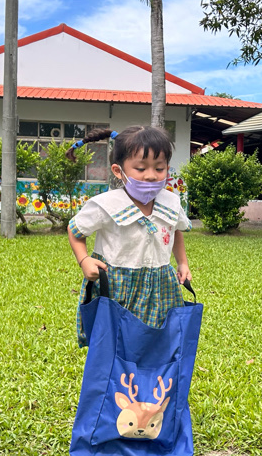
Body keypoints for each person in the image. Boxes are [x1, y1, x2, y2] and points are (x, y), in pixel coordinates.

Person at [66, 126, 191, 345]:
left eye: (159, 168)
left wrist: (182, 262)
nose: (151, 176)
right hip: (118, 288)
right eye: (140, 168)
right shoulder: (105, 205)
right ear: (118, 170)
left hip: (161, 286)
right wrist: (84, 260)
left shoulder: (171, 202)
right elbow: (75, 230)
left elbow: (175, 229)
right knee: (116, 344)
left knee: (158, 343)